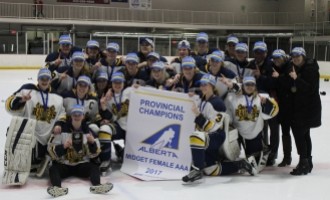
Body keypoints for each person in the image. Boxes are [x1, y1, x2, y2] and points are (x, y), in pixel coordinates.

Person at [182, 74, 256, 183]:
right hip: (206, 136)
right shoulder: (202, 99)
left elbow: (212, 127)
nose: (202, 87)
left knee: (196, 137)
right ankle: (241, 164)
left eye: (205, 84)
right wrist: (189, 97)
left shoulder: (218, 103)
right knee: (211, 170)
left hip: (216, 136)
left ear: (212, 86)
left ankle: (197, 171)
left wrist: (198, 116)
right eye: (201, 85)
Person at [4, 68, 65, 184]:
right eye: (42, 78)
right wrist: (21, 100)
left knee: (36, 158)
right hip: (30, 134)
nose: (44, 81)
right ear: (38, 79)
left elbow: (62, 113)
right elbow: (8, 105)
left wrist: (58, 124)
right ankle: (18, 165)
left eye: (47, 78)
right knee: (13, 130)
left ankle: (42, 158)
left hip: (46, 137)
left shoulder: (57, 96)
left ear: (50, 80)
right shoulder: (28, 89)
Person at [47, 104, 113, 197]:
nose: (77, 116)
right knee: (53, 169)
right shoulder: (61, 130)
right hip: (65, 164)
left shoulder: (89, 131)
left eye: (79, 114)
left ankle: (97, 186)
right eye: (75, 114)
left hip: (81, 164)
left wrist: (92, 143)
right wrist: (63, 146)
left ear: (83, 116)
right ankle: (57, 188)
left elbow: (95, 154)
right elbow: (50, 150)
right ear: (71, 116)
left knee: (94, 167)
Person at [277, 47, 321, 175]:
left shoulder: (311, 69)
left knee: (300, 135)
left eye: (298, 56)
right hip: (300, 108)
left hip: (308, 109)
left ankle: (304, 163)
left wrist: (297, 79)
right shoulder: (293, 66)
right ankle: (307, 162)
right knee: (304, 135)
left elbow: (310, 89)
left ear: (304, 56)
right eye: (293, 56)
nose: (295, 58)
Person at [57, 75, 113, 173]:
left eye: (85, 86)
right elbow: (60, 112)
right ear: (76, 85)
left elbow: (95, 117)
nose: (82, 88)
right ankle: (56, 155)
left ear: (88, 88)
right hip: (68, 127)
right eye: (80, 85)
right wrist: (59, 124)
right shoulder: (66, 96)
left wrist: (102, 121)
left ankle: (96, 156)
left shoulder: (93, 100)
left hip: (83, 127)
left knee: (95, 128)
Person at [223, 76, 279, 173]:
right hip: (238, 132)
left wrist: (267, 104)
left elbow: (272, 113)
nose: (250, 87)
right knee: (230, 156)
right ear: (243, 86)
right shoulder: (232, 97)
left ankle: (263, 150)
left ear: (255, 86)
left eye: (252, 84)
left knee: (255, 165)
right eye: (247, 84)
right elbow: (228, 113)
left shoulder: (262, 97)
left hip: (254, 133)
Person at [270, 49, 293, 167]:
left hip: (287, 105)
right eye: (275, 58)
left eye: (279, 58)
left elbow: (289, 83)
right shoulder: (272, 67)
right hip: (277, 103)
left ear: (284, 58)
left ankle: (287, 156)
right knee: (275, 130)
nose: (276, 60)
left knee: (285, 131)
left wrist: (279, 77)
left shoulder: (290, 66)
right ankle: (273, 154)